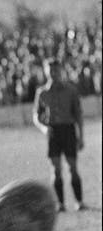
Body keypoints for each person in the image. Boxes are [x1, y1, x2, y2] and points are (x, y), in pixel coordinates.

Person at [33, 58, 85, 212]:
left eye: (56, 69)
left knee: (73, 167)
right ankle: (60, 204)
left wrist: (81, 136)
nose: (54, 73)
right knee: (55, 169)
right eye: (50, 70)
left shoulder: (71, 91)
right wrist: (43, 128)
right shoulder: (42, 93)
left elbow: (78, 115)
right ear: (46, 71)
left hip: (68, 130)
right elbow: (36, 115)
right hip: (53, 132)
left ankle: (79, 202)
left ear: (61, 70)